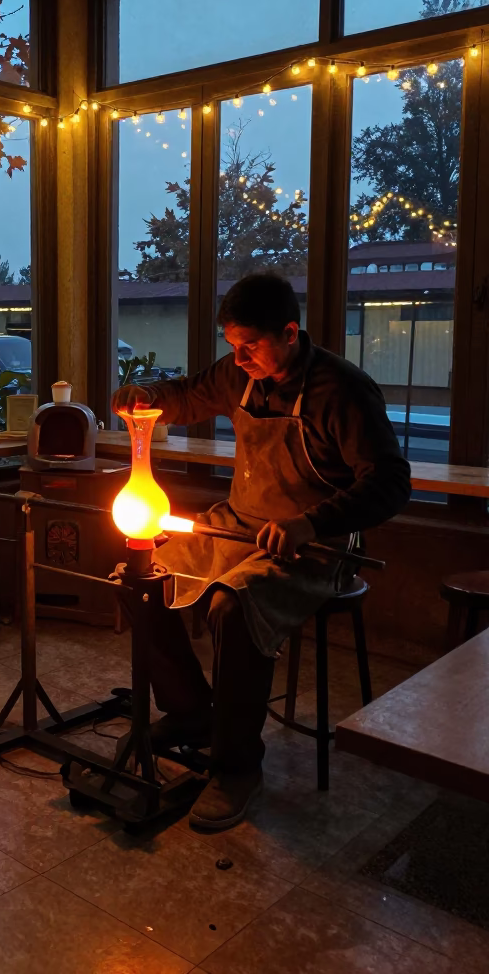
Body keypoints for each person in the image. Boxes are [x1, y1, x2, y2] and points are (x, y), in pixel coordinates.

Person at [111, 273, 411, 831]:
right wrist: (148, 397)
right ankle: (191, 712)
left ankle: (237, 768)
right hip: (238, 525)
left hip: (318, 543)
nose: (239, 357)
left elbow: (392, 483)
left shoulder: (342, 390)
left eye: (250, 345)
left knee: (232, 606)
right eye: (232, 345)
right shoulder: (238, 374)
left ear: (291, 333)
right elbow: (188, 394)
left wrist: (310, 522)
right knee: (138, 573)